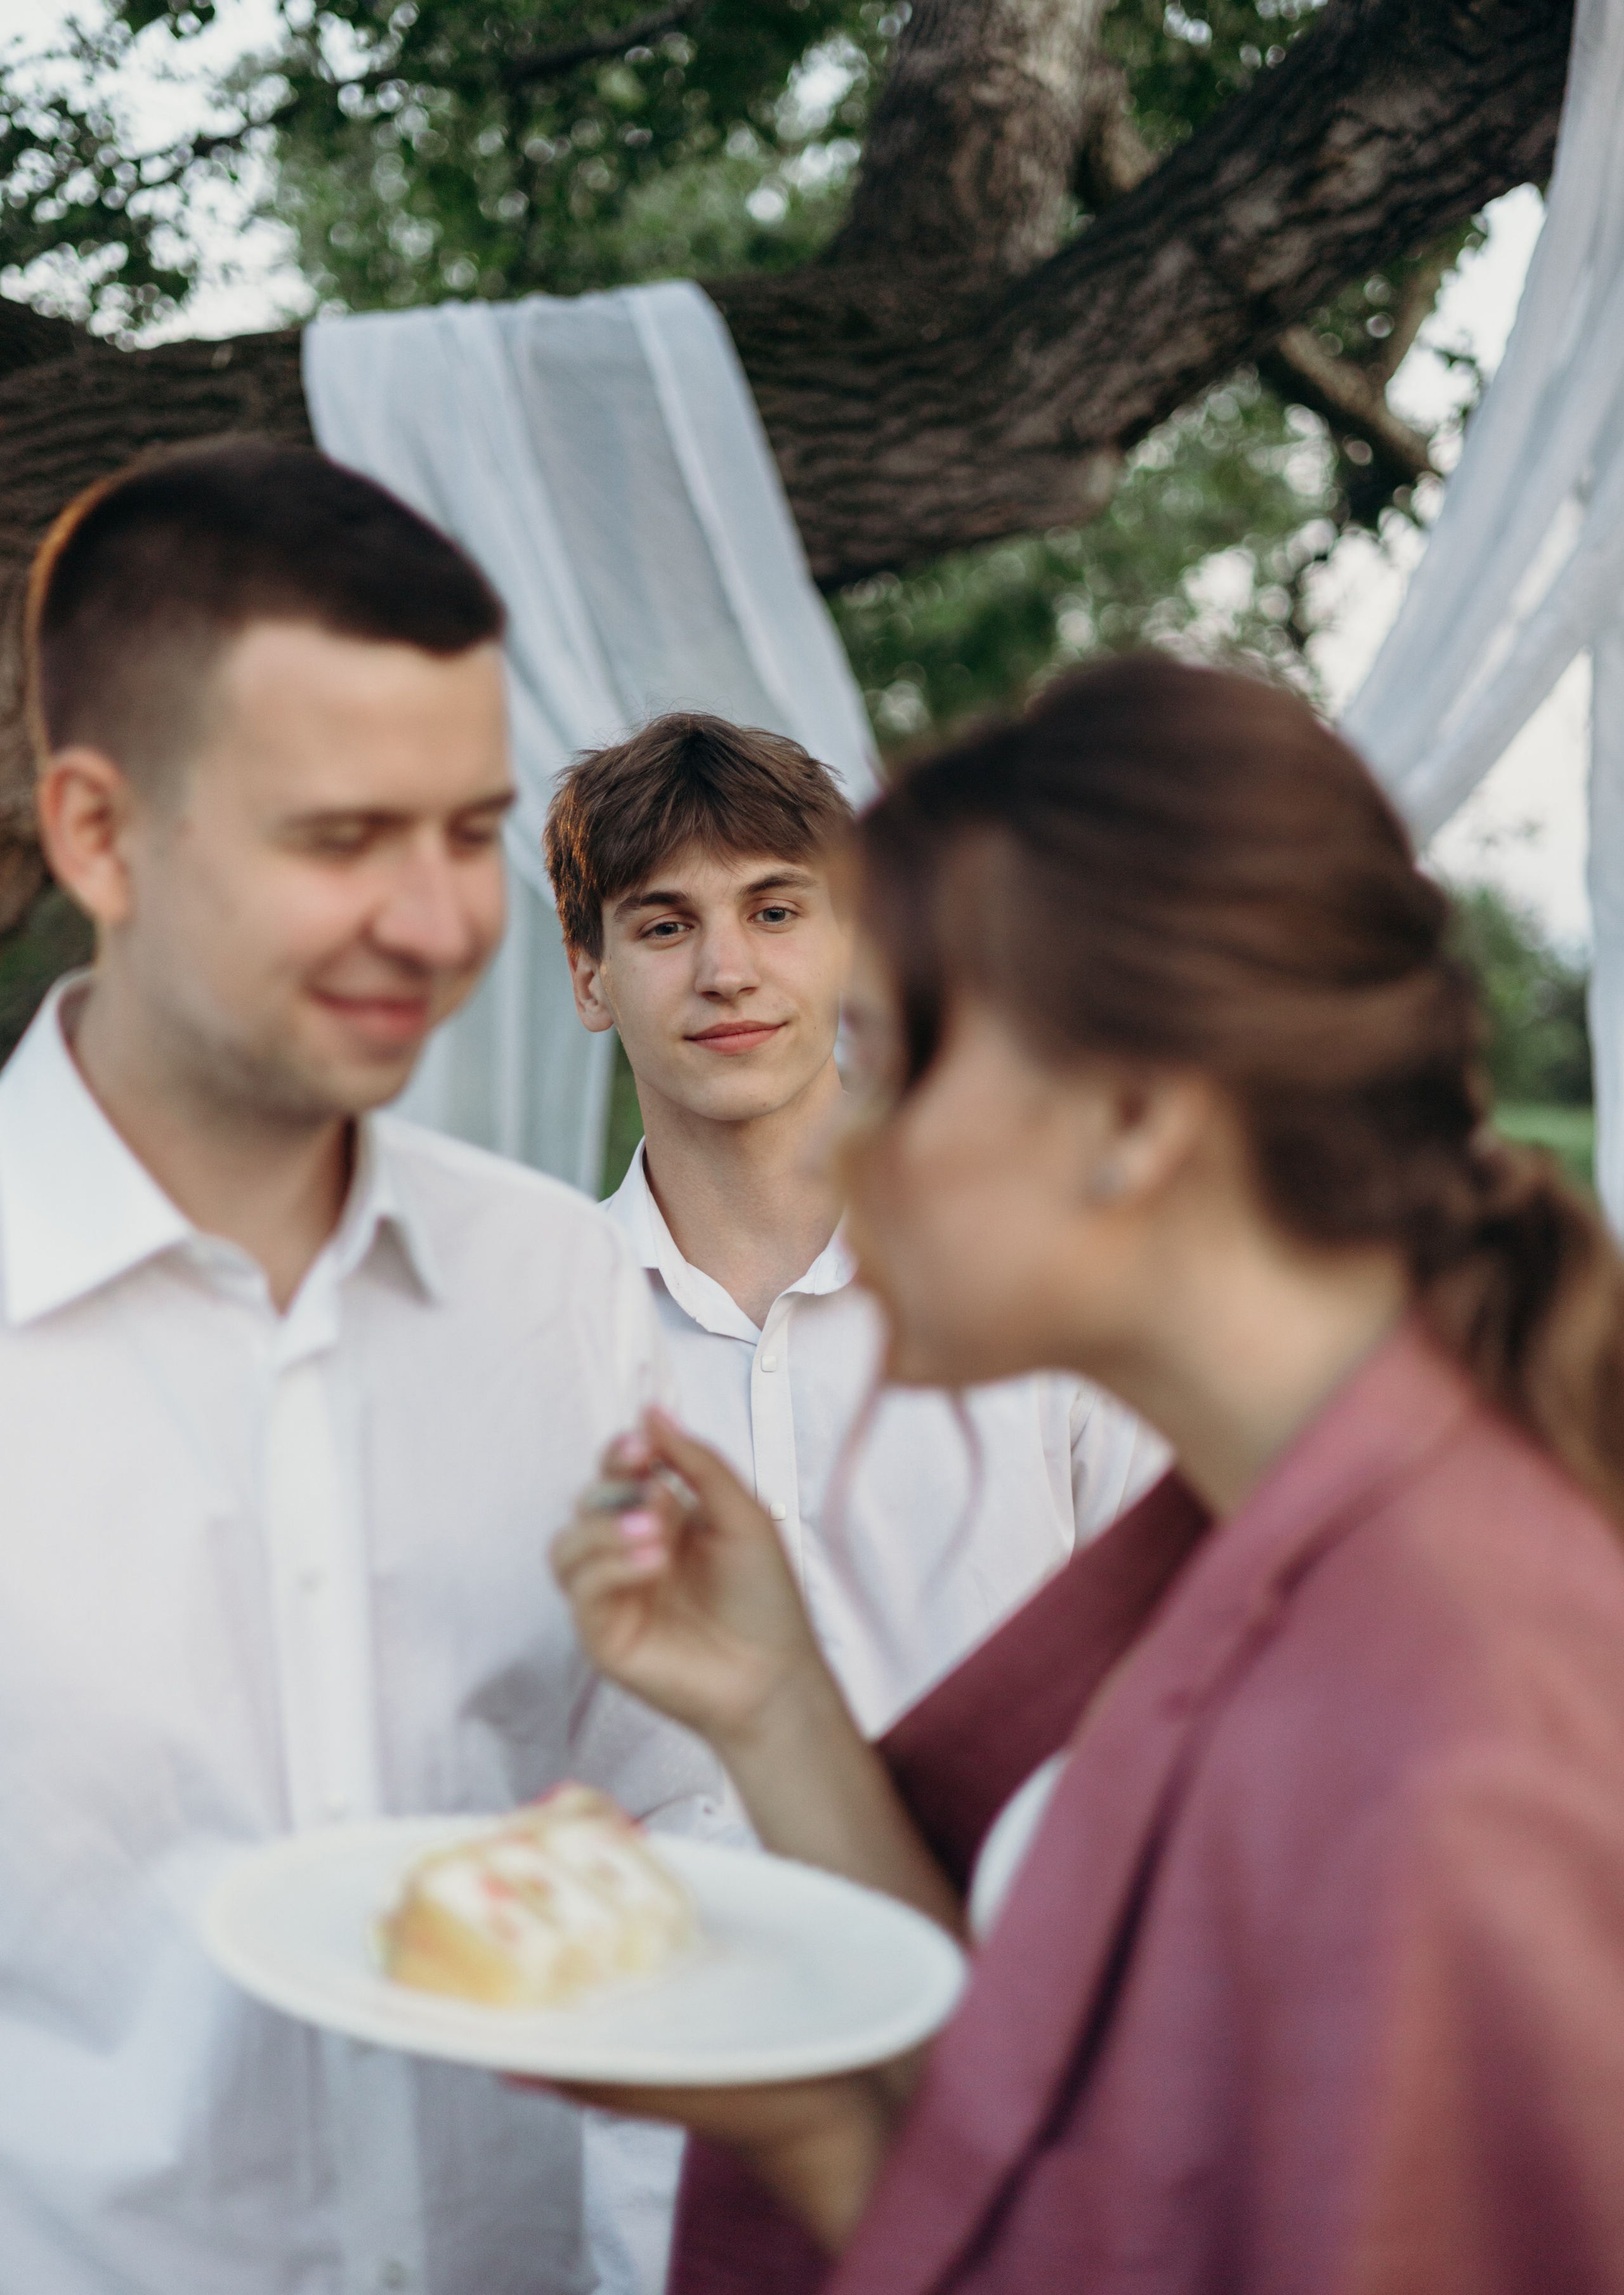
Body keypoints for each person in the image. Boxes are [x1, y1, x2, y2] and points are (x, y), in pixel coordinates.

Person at [550, 655, 1624, 2294]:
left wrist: (821, 2135)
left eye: (901, 1057)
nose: (857, 1135)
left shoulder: (1454, 1719)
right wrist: (771, 1701)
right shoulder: (1305, 1542)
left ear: (1127, 1114)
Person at [0, 438, 721, 2295]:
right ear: (96, 833)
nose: (438, 924)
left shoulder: (558, 1279)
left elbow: (666, 1824)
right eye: (340, 839)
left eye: (469, 830)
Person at [546, 712, 1162, 1738]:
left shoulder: (1051, 1286)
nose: (727, 970)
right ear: (587, 977)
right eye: (664, 926)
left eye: (776, 911)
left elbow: (1179, 1668)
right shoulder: (532, 1328)